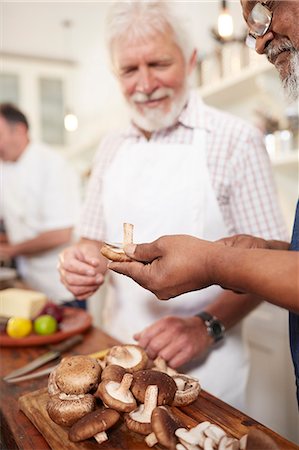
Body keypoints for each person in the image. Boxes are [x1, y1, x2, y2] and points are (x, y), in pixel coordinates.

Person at [58, 1, 287, 409]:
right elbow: (92, 239)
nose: (145, 84)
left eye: (159, 64)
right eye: (130, 70)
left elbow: (272, 262)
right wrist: (81, 260)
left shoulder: (234, 139)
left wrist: (205, 326)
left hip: (205, 370)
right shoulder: (110, 146)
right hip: (118, 359)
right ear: (117, 75)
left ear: (191, 60)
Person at [0, 103, 82, 305]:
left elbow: (61, 232)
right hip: (27, 284)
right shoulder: (5, 167)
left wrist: (11, 250)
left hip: (60, 287)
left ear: (19, 131)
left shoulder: (53, 165)